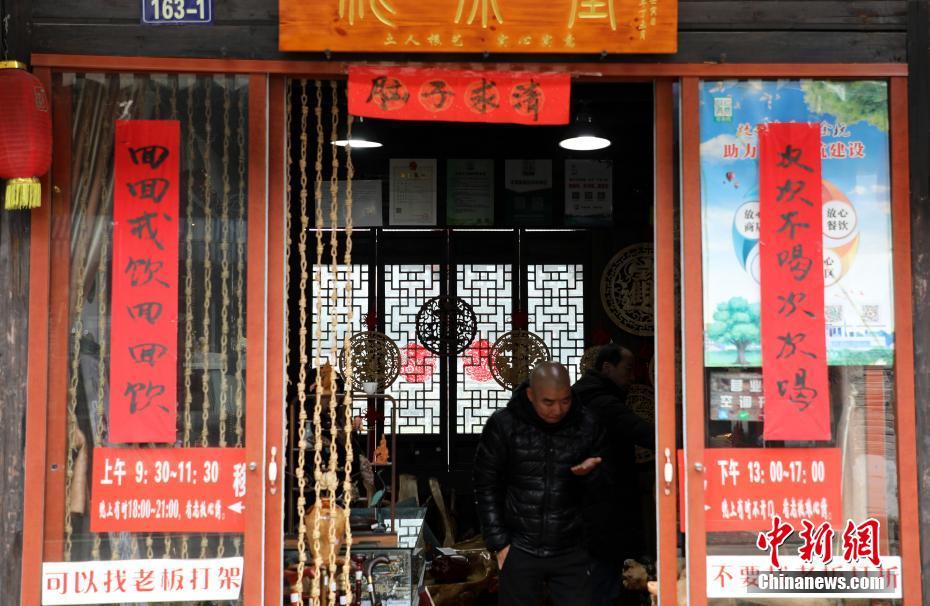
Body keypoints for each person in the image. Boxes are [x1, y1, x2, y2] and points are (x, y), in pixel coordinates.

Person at [473, 361, 607, 606]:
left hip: (571, 547)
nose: (558, 409)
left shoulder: (587, 424)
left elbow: (604, 491)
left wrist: (591, 473)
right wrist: (499, 543)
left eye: (565, 400)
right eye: (548, 402)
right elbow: (486, 485)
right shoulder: (505, 424)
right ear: (530, 395)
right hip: (520, 545)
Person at [572, 344, 656, 606]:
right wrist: (684, 439)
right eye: (627, 369)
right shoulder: (601, 402)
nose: (631, 377)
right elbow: (642, 432)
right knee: (602, 580)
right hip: (602, 504)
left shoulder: (585, 396)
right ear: (607, 368)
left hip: (591, 505)